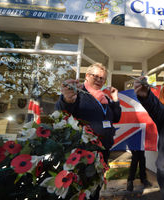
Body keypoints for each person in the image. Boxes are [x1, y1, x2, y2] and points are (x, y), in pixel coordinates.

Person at [55, 63, 121, 200]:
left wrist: (115, 99)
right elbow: (62, 112)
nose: (99, 80)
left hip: (103, 151)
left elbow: (116, 117)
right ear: (86, 76)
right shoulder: (77, 93)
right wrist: (66, 99)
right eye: (95, 76)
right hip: (84, 153)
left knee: (95, 188)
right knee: (81, 191)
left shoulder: (104, 98)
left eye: (102, 78)